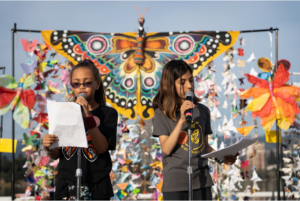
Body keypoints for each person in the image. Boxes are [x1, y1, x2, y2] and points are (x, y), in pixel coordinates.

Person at [152, 60, 239, 200]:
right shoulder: (161, 113)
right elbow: (166, 149)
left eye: (191, 81)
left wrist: (223, 158)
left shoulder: (202, 110)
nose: (189, 86)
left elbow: (204, 147)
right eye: (182, 82)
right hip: (175, 185)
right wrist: (181, 121)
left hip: (201, 182)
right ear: (170, 84)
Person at [42, 59, 118, 200]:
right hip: (67, 184)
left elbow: (102, 148)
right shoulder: (63, 111)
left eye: (87, 83)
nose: (81, 87)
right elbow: (58, 153)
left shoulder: (108, 113)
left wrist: (87, 117)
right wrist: (48, 147)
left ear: (97, 84)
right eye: (76, 84)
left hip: (97, 185)